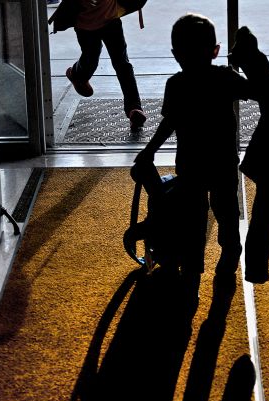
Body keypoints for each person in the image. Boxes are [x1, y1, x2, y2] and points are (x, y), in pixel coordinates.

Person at [131, 13, 254, 294]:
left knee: (193, 220)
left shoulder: (175, 85)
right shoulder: (225, 77)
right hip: (222, 163)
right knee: (226, 213)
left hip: (191, 165)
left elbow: (169, 123)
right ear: (215, 51)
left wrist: (149, 151)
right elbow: (258, 91)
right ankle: (231, 250)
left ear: (175, 55)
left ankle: (191, 273)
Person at [58, 0, 146, 130]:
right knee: (90, 59)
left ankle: (134, 109)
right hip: (85, 24)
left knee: (122, 64)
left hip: (110, 19)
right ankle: (76, 74)